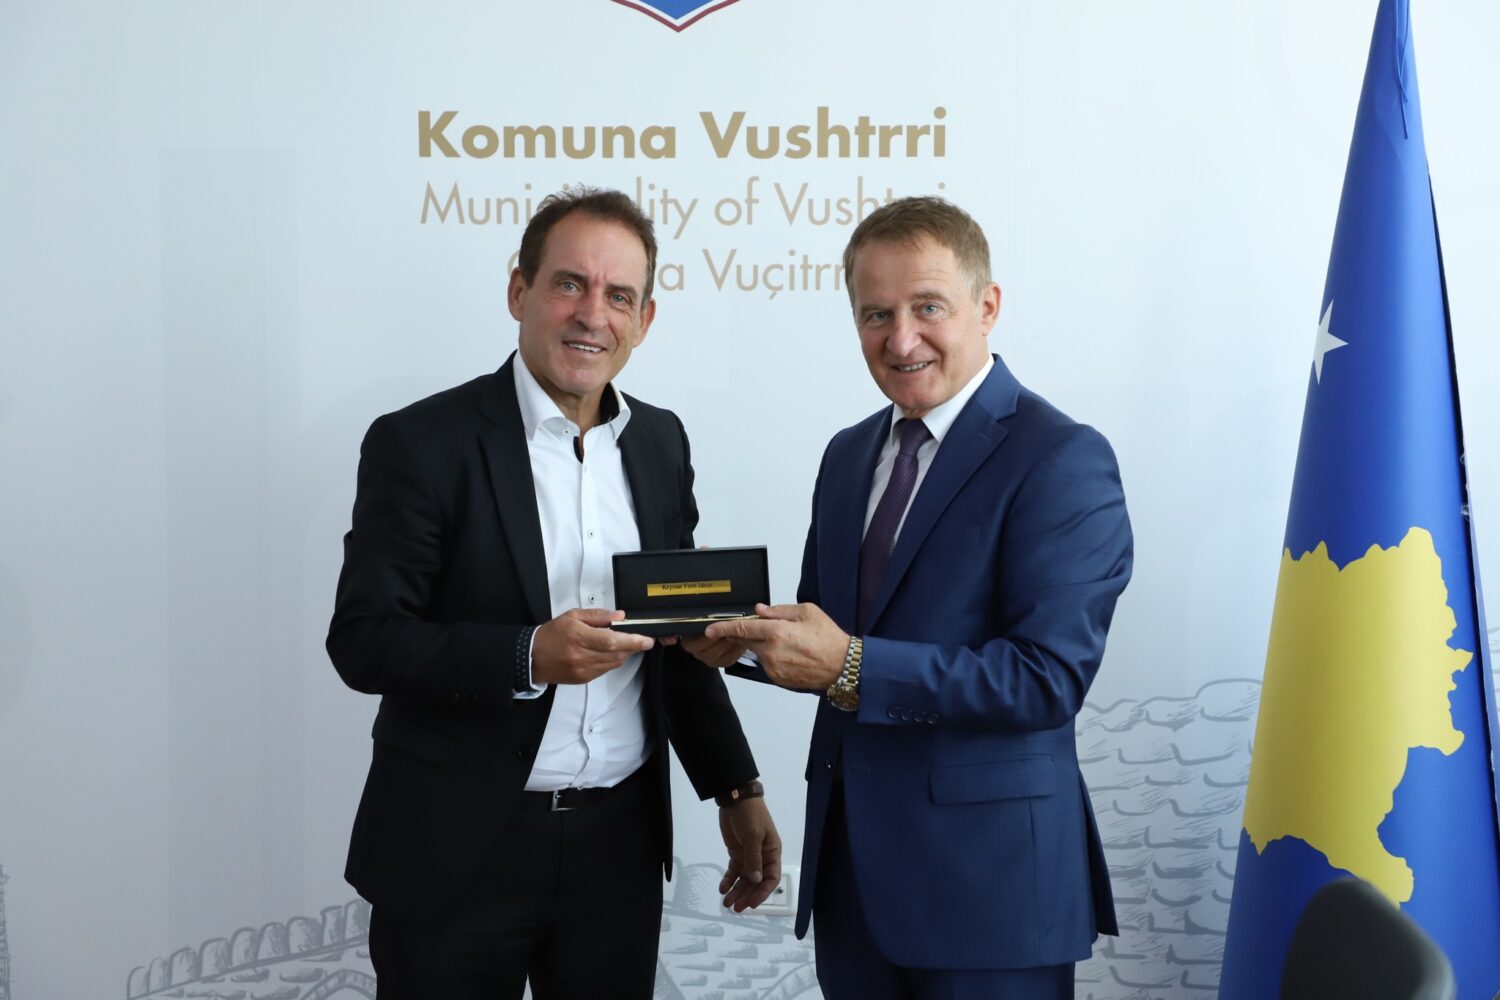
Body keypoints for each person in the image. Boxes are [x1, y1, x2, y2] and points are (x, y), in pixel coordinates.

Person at [327, 187, 780, 1000]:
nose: (592, 315)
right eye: (570, 283)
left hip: (618, 851)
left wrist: (736, 786)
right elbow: (364, 639)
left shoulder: (661, 441)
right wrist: (528, 653)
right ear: (519, 292)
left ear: (644, 320)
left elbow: (675, 635)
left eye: (619, 296)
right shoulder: (421, 443)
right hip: (457, 848)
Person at [696, 196, 1132, 999]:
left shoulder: (1061, 457)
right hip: (853, 885)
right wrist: (740, 645)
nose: (900, 340)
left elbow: (1046, 678)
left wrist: (850, 663)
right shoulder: (847, 454)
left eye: (928, 307)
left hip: (991, 896)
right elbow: (830, 637)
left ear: (987, 306)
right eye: (876, 314)